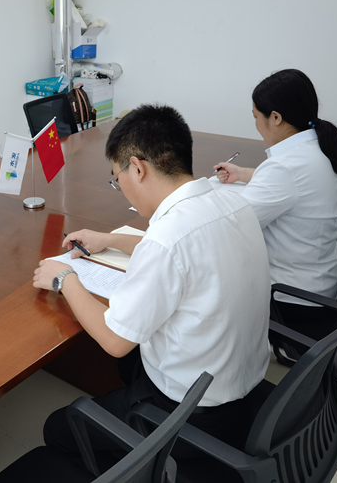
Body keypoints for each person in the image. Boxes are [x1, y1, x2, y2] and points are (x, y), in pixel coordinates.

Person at [33, 104, 271, 466]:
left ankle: (139, 463)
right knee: (130, 366)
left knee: (57, 428)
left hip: (191, 414)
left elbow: (114, 341)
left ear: (137, 168)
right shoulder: (231, 201)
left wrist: (65, 278)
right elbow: (186, 248)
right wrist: (110, 240)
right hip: (240, 384)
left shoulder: (166, 240)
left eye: (117, 178)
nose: (121, 188)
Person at [214, 69, 337, 337]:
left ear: (276, 118)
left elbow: (230, 225)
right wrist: (243, 173)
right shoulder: (320, 149)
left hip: (291, 301)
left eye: (256, 117)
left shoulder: (285, 168)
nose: (256, 124)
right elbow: (298, 186)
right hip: (322, 287)